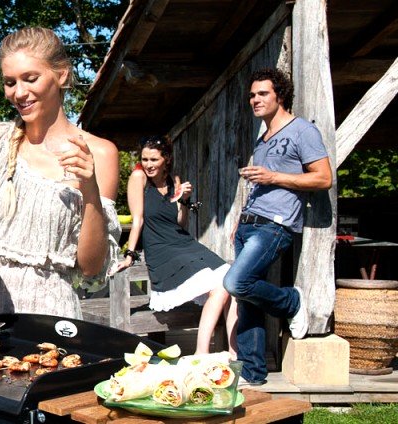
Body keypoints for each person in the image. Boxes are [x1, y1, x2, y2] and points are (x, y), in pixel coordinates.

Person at [0, 27, 121, 319]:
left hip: (50, 315)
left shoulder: (101, 153)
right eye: (9, 82)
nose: (18, 93)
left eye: (30, 79)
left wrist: (89, 189)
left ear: (62, 75)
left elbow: (91, 267)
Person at [227, 68, 332, 385]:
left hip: (276, 225)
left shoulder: (302, 131)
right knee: (246, 301)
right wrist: (239, 219)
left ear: (280, 95)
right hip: (249, 224)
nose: (254, 100)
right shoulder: (262, 138)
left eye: (262, 94)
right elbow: (259, 185)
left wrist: (275, 177)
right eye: (252, 95)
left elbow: (323, 178)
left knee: (236, 283)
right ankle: (253, 372)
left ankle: (291, 302)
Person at [114, 136, 237, 355]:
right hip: (162, 249)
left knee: (232, 282)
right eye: (145, 159)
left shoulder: (175, 181)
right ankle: (202, 353)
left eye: (154, 159)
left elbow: (180, 223)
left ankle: (235, 352)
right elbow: (138, 219)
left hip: (183, 243)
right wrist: (130, 255)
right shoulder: (138, 177)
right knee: (219, 288)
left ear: (166, 160)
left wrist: (183, 201)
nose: (149, 164)